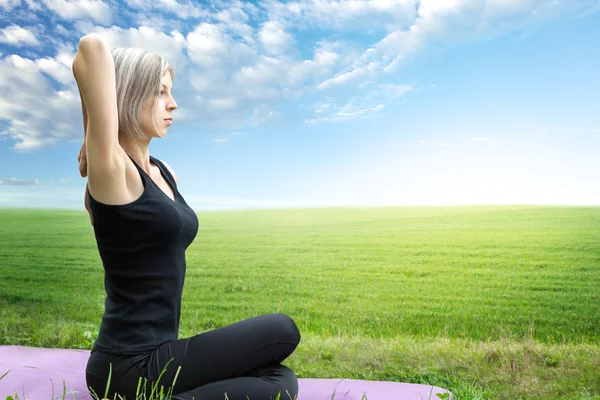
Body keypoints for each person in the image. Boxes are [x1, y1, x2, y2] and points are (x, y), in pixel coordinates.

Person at [72, 33, 301, 400]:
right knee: (282, 330)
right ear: (127, 94)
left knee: (280, 381)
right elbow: (90, 49)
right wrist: (93, 137)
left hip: (161, 356)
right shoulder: (115, 173)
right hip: (125, 364)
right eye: (161, 91)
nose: (173, 104)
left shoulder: (165, 172)